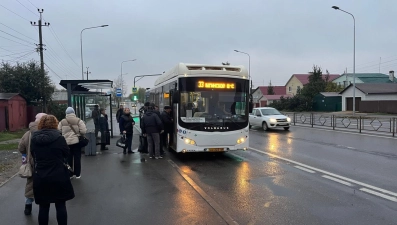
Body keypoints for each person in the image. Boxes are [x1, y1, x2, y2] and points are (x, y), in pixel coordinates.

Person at [31, 115, 75, 225]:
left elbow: (33, 154)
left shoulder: (34, 139)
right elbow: (66, 153)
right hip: (58, 175)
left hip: (41, 175)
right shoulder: (59, 138)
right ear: (55, 124)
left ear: (40, 124)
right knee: (60, 205)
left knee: (43, 206)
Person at [18, 112, 47, 215]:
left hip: (31, 164)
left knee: (30, 185)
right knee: (44, 186)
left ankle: (28, 206)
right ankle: (43, 207)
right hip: (44, 164)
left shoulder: (28, 134)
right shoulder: (46, 132)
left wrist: (25, 157)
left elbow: (21, 147)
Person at [58, 107, 87, 179]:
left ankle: (70, 174)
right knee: (77, 158)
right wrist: (78, 134)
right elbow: (83, 131)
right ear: (74, 112)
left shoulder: (62, 122)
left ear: (66, 113)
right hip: (76, 142)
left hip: (66, 143)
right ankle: (77, 174)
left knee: (68, 158)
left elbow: (58, 131)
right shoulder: (78, 120)